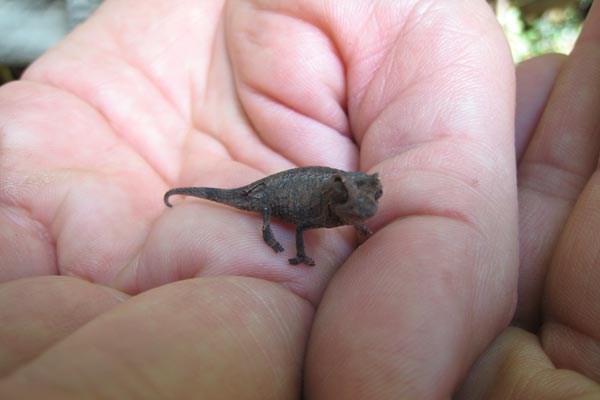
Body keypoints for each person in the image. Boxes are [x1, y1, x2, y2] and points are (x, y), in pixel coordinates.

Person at [0, 0, 598, 397]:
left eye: (366, 205)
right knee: (255, 206)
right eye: (357, 207)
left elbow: (341, 216)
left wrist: (359, 226)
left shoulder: (348, 204)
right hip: (271, 195)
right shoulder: (316, 209)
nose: (361, 213)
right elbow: (303, 224)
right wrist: (291, 247)